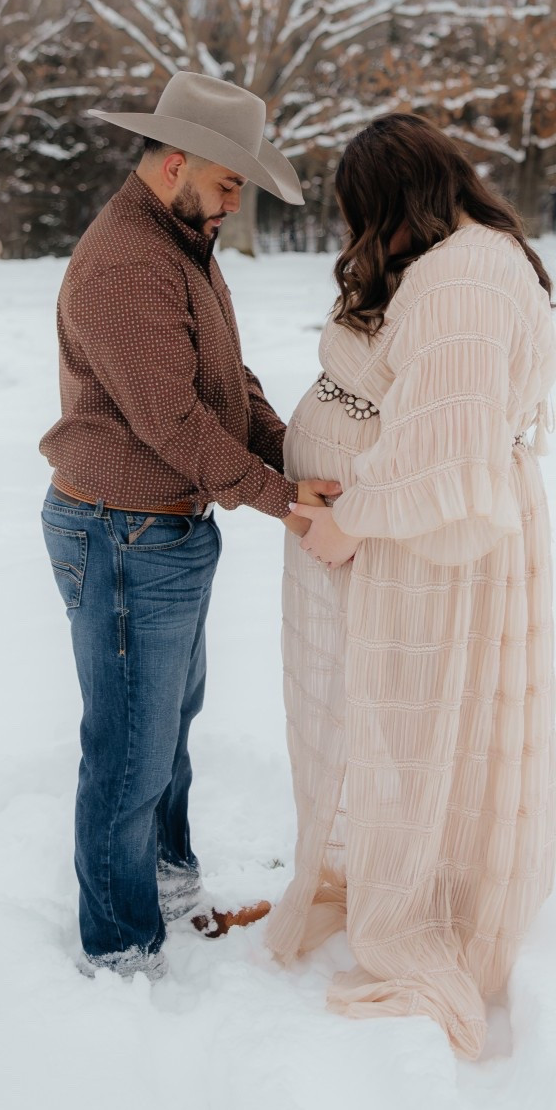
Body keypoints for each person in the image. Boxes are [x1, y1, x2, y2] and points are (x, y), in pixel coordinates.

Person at [265, 114, 556, 1059]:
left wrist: (349, 521)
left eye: (366, 214)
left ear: (397, 199)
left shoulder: (466, 275)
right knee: (400, 716)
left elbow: (446, 440)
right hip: (400, 536)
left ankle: (423, 901)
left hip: (421, 547)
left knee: (419, 716)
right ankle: (401, 863)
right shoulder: (453, 260)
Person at [39, 72, 340, 977]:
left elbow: (226, 384)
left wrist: (288, 458)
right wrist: (282, 502)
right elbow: (171, 421)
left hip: (163, 532)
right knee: (129, 752)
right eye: (229, 183)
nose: (234, 203)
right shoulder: (129, 263)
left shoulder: (181, 244)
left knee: (164, 728)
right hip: (120, 531)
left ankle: (167, 882)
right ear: (177, 164)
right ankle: (121, 950)